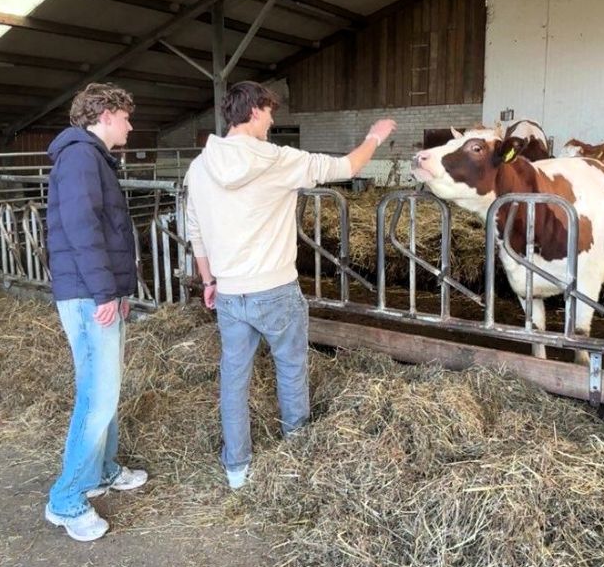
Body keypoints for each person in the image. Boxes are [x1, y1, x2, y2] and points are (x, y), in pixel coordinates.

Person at [185, 81, 396, 489]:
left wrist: (209, 279)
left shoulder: (200, 165)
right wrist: (375, 136)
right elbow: (347, 168)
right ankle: (296, 449)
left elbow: (195, 229)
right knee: (291, 367)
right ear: (254, 112)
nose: (273, 119)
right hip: (275, 288)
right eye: (269, 111)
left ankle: (237, 467)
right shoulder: (276, 159)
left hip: (229, 291)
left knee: (233, 375)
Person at [44, 83, 148, 542]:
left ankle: (100, 471)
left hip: (97, 291)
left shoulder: (92, 157)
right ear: (106, 114)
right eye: (126, 116)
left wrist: (118, 289)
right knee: (97, 395)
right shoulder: (82, 158)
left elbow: (103, 229)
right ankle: (65, 499)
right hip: (88, 295)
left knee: (104, 388)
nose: (130, 124)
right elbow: (83, 227)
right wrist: (105, 292)